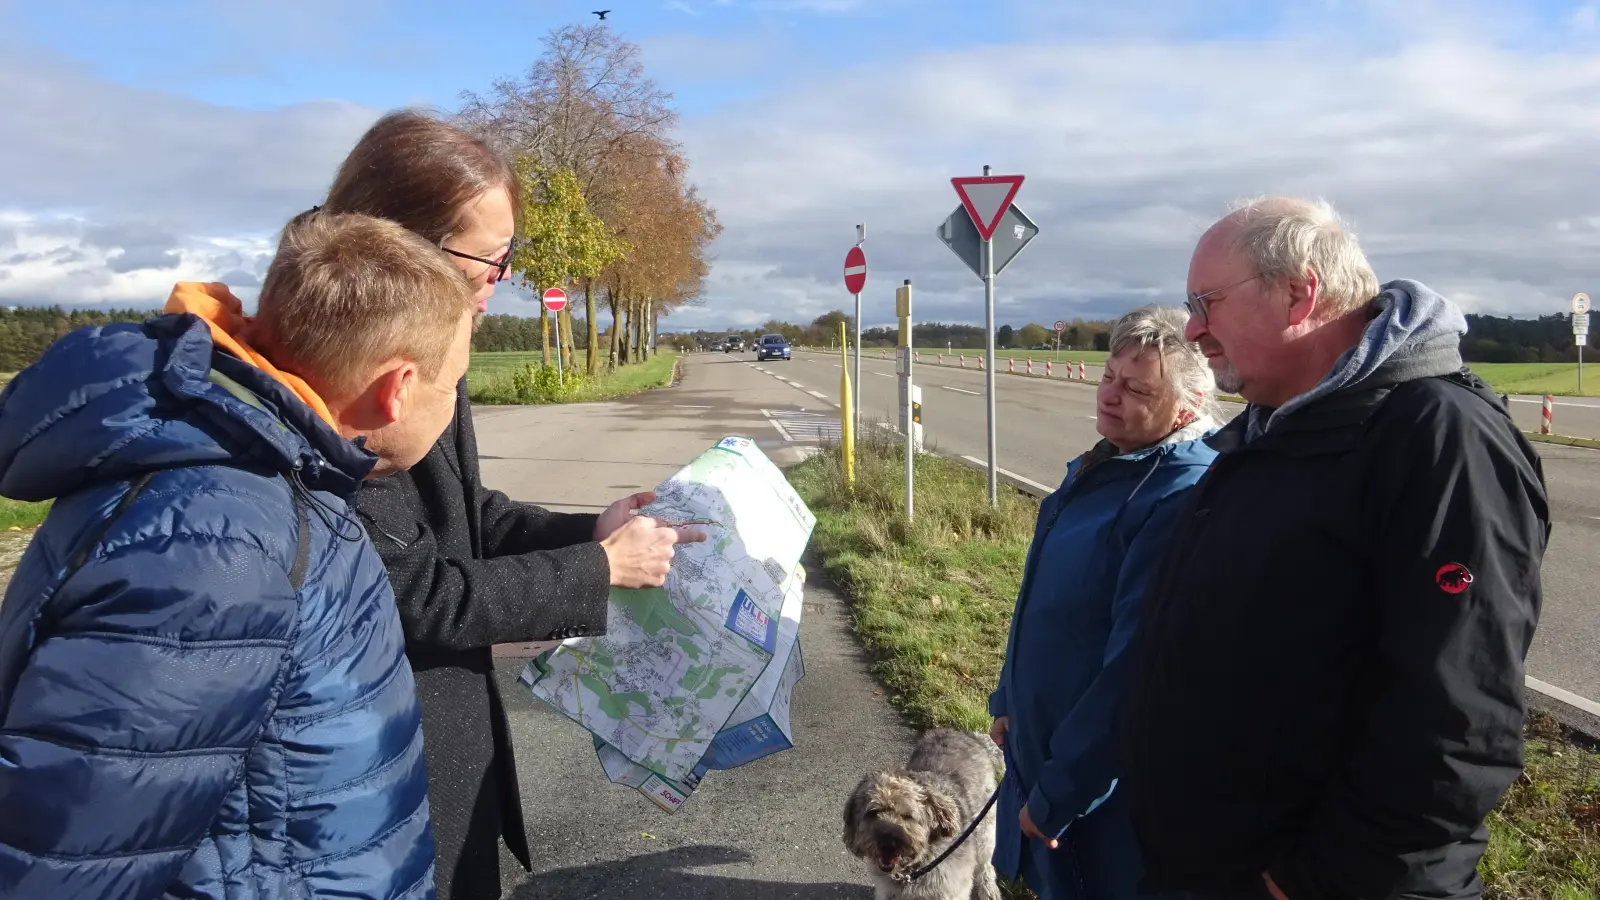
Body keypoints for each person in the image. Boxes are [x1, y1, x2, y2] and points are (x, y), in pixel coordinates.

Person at [0, 210, 480, 898]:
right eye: (450, 382)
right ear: (396, 389)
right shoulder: (219, 545)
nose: (452, 398)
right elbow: (66, 865)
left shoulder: (273, 483)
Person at [318, 109, 703, 900]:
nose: (502, 279)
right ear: (405, 245)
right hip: (379, 779)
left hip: (447, 760)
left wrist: (589, 531)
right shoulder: (338, 374)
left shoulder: (430, 351)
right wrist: (596, 570)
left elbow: (469, 515)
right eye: (489, 258)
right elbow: (413, 591)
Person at [1123, 196, 1550, 900]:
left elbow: (1456, 716)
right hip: (1208, 865)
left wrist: (1317, 878)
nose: (1193, 330)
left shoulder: (1438, 440)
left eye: (1206, 302)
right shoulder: (1275, 428)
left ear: (1299, 294)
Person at [988, 306, 1221, 900]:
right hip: (1044, 742)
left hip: (1102, 791)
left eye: (1138, 388)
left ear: (1187, 409)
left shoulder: (1176, 498)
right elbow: (1041, 599)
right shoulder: (1106, 465)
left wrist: (1059, 796)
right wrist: (1007, 698)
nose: (1112, 396)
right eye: (1110, 376)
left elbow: (1132, 673)